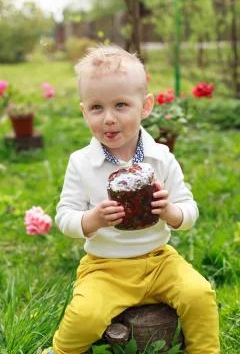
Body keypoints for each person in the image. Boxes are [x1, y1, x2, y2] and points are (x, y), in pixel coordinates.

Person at [43, 45, 220, 354]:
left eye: (121, 105)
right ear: (84, 112)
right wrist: (92, 219)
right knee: (85, 316)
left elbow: (190, 210)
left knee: (199, 294)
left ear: (145, 106)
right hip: (104, 266)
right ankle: (59, 351)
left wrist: (170, 212)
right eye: (97, 108)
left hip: (158, 259)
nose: (109, 118)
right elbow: (64, 217)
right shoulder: (82, 163)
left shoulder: (161, 158)